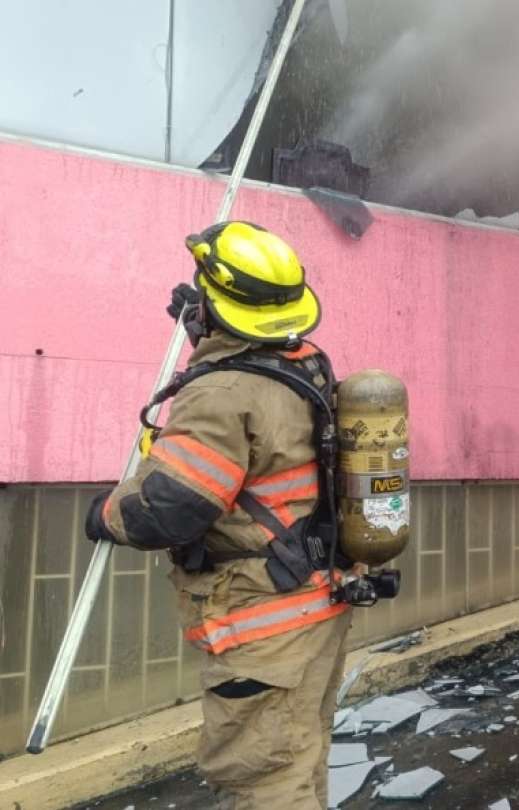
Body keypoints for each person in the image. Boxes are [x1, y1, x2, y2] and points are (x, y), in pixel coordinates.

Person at [85, 221, 351, 809]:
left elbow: (171, 508)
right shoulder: (304, 363)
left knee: (262, 779)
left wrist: (105, 515)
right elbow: (259, 415)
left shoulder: (220, 394)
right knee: (297, 760)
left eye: (205, 295)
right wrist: (205, 330)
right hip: (314, 605)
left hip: (263, 623)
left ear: (222, 301)